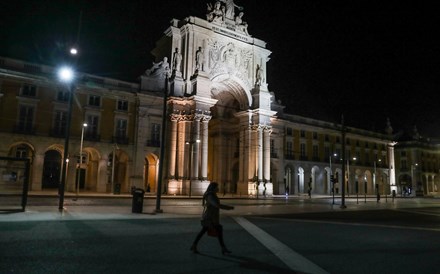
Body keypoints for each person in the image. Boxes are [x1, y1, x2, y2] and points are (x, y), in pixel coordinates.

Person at [190, 182, 234, 255]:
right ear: (213, 188)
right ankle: (223, 248)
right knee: (214, 231)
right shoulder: (210, 196)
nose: (218, 188)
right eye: (217, 187)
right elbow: (216, 205)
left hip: (212, 218)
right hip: (210, 218)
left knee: (209, 231)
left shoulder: (212, 195)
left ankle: (194, 245)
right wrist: (228, 208)